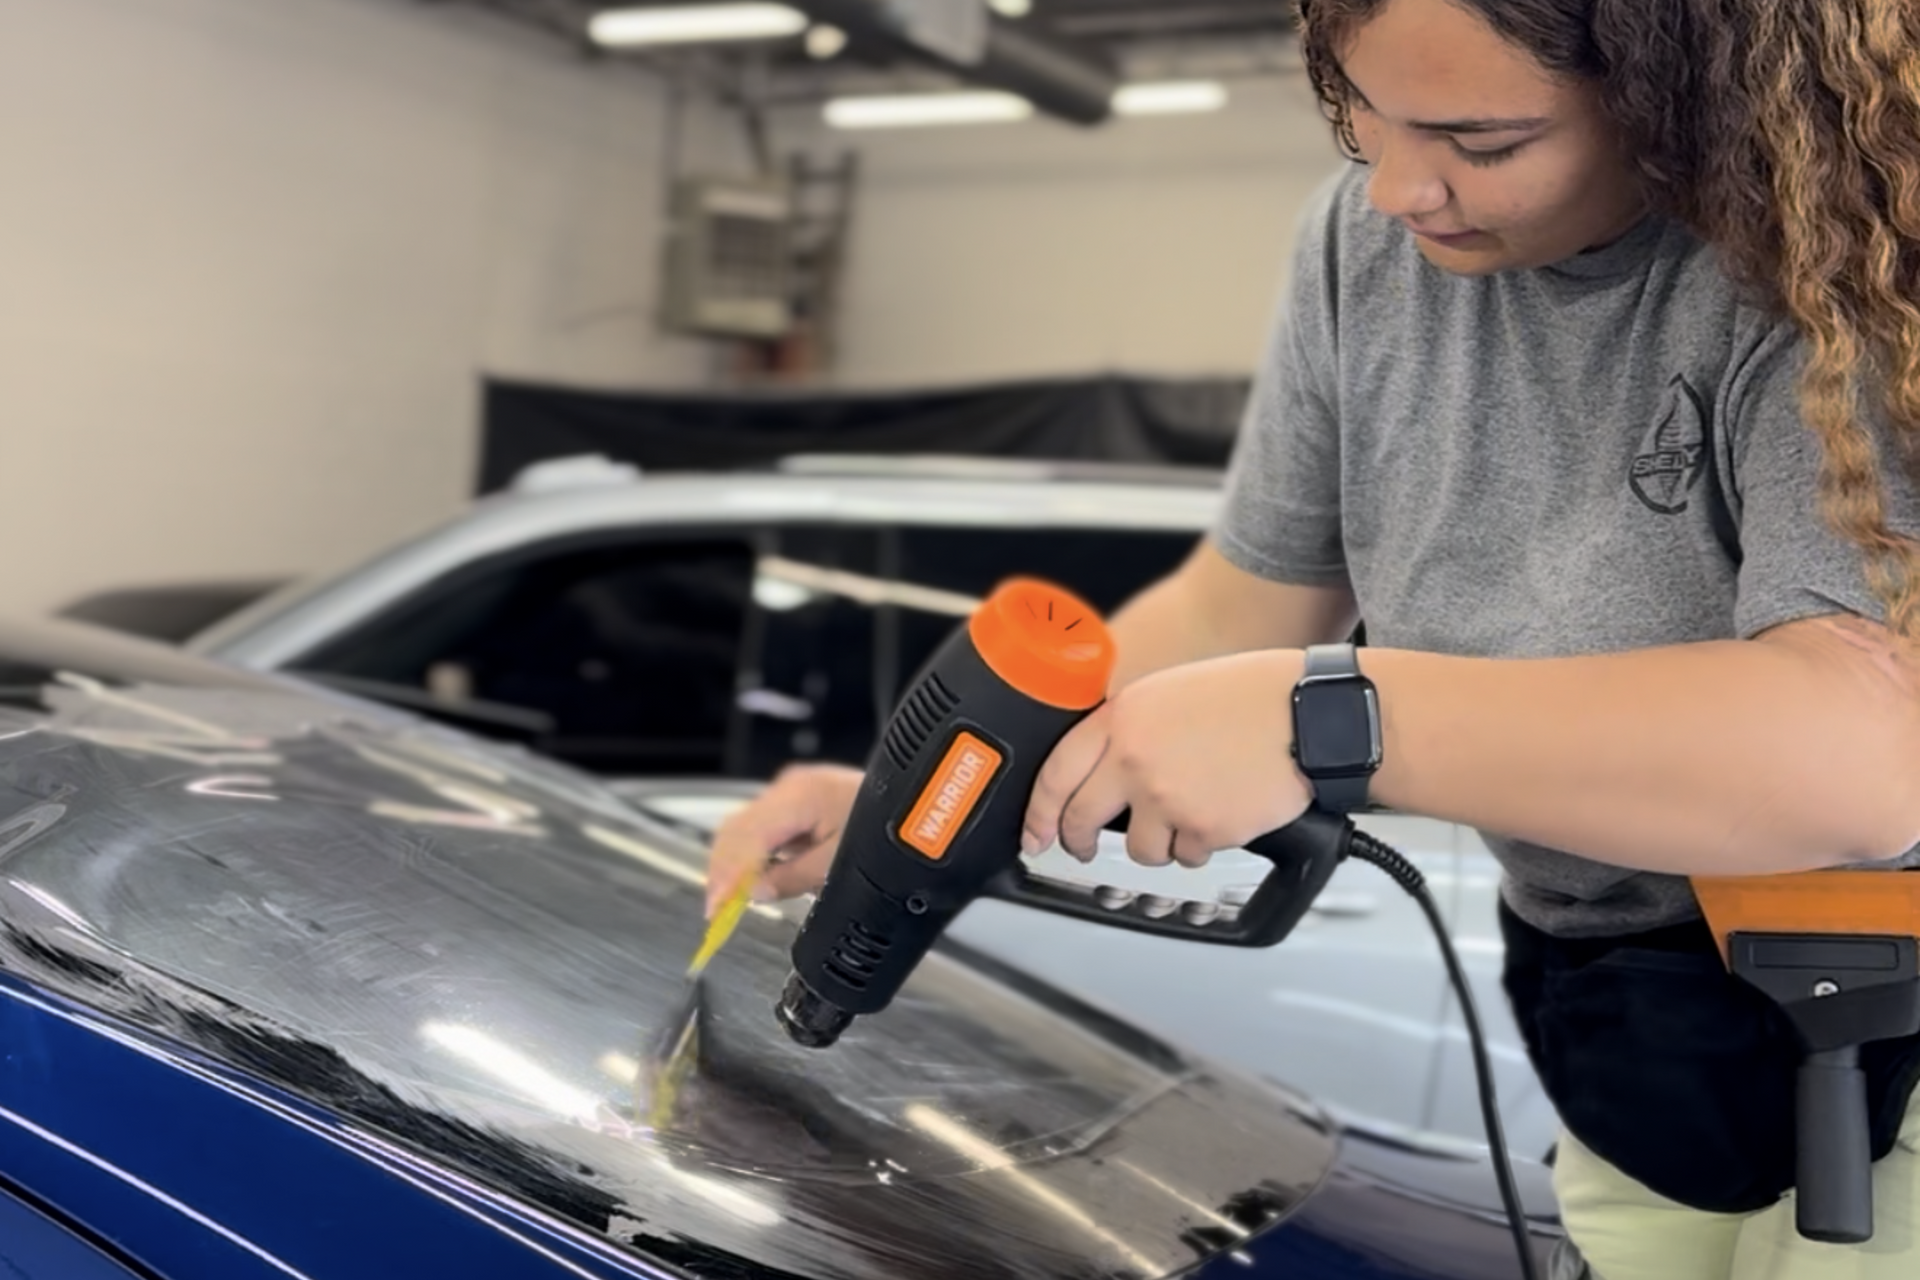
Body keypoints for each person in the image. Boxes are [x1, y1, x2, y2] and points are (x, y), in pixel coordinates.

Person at [705, 1, 1920, 1275]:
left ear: (1679, 94)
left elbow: (1867, 746)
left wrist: (1328, 720)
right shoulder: (1371, 251)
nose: (1400, 187)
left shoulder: (1841, 260)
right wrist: (926, 805)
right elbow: (1239, 608)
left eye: (1481, 141)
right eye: (1362, 117)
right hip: (1634, 1018)